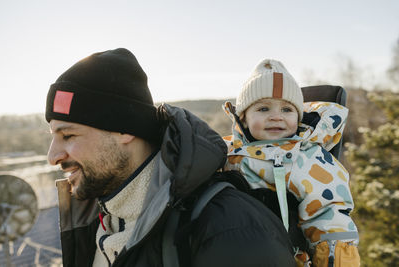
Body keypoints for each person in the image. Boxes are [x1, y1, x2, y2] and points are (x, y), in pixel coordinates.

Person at [46, 48, 296, 267]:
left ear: (123, 130)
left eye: (68, 135)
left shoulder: (232, 232)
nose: (52, 156)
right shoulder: (97, 219)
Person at [222, 59, 361, 267]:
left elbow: (330, 216)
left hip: (283, 256)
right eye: (263, 109)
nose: (276, 117)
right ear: (243, 118)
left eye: (287, 110)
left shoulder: (307, 158)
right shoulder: (226, 150)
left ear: (298, 116)